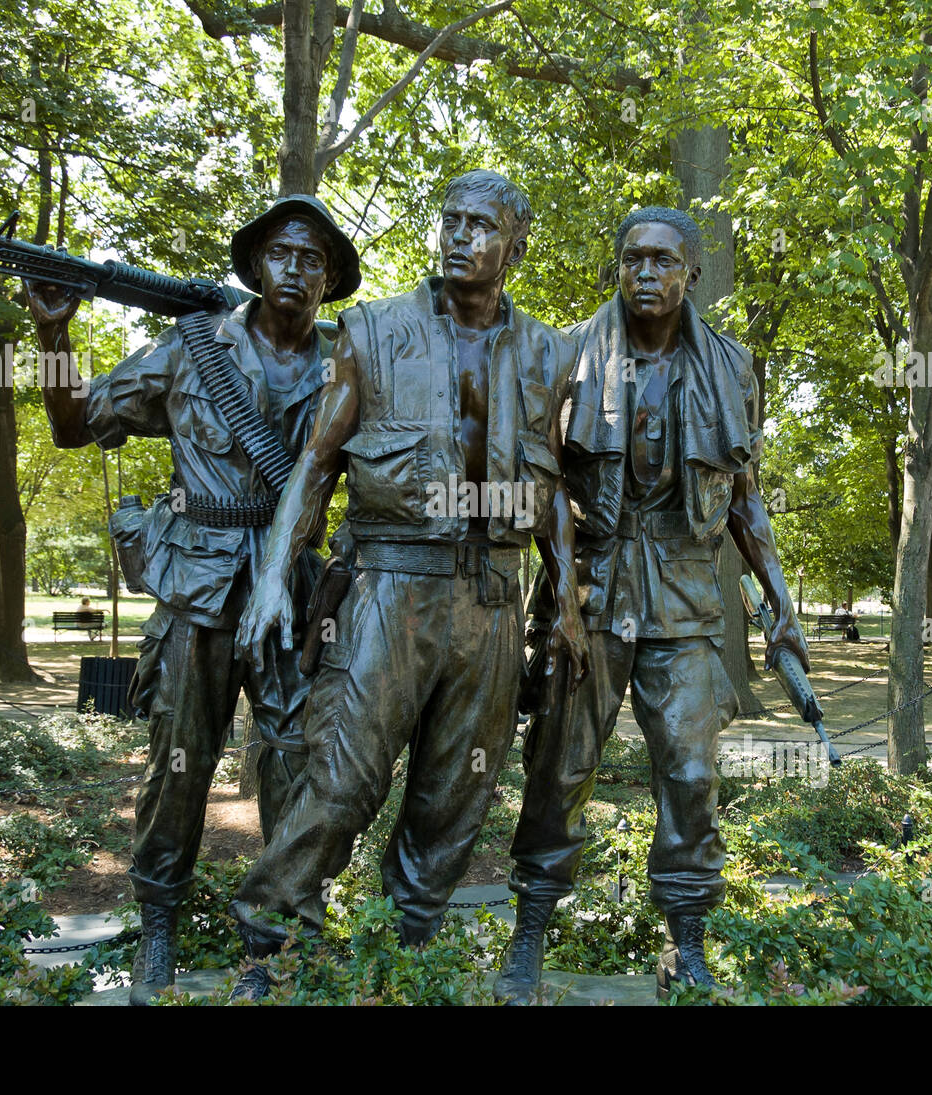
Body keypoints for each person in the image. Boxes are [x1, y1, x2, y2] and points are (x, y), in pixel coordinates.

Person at [228, 169, 587, 1001]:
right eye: (451, 221)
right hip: (391, 587)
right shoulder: (374, 330)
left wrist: (563, 596)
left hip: (492, 596)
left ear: (515, 246)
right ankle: (268, 945)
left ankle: (405, 949)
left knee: (455, 794)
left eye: (481, 226)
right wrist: (277, 575)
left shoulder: (547, 350)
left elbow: (553, 490)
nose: (461, 237)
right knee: (343, 779)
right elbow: (317, 462)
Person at [24, 195, 362, 1005]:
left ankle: (279, 939)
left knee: (296, 767)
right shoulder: (190, 349)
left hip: (291, 594)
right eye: (282, 253)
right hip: (196, 587)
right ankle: (160, 927)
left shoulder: (348, 365)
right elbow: (74, 424)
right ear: (254, 267)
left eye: (313, 259)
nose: (296, 269)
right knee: (178, 766)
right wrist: (52, 335)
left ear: (329, 282)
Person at [494, 206, 810, 1003]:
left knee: (693, 771)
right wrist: (559, 589)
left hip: (685, 593)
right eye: (632, 258)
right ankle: (529, 928)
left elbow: (745, 496)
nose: (645, 273)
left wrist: (781, 603)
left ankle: (689, 938)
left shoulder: (733, 367)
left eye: (663, 261)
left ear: (690, 273)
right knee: (560, 764)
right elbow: (541, 487)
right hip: (591, 588)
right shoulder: (567, 353)